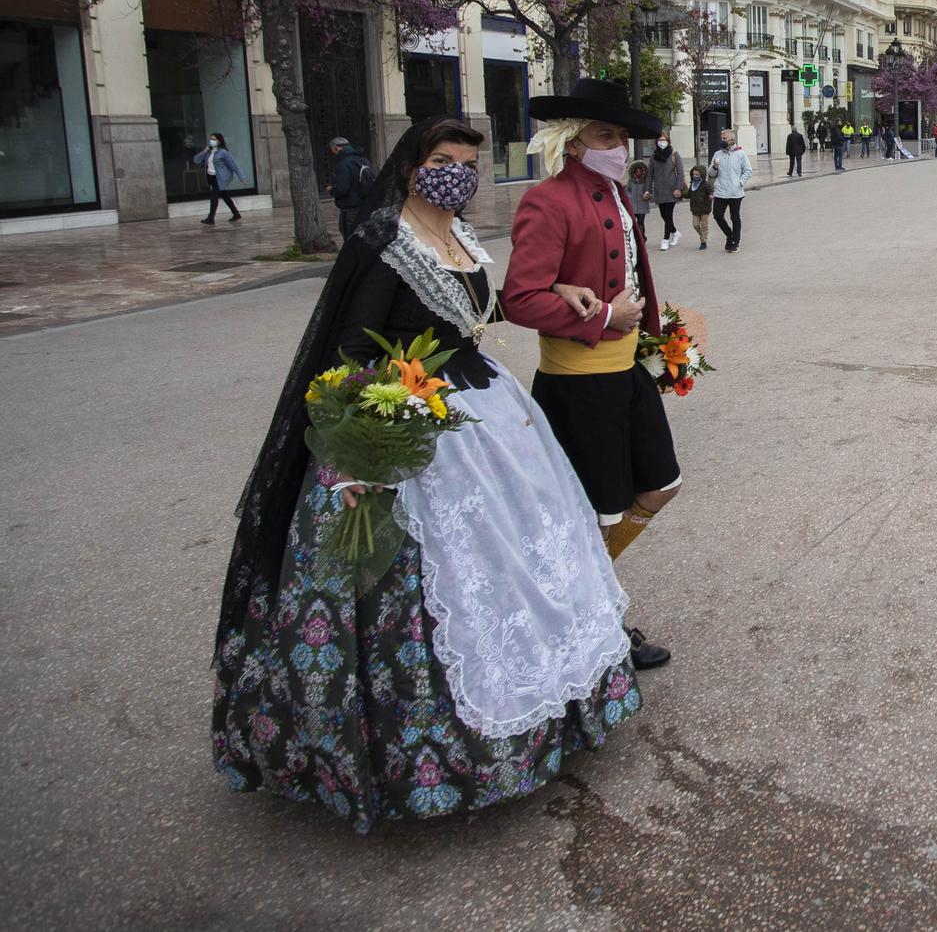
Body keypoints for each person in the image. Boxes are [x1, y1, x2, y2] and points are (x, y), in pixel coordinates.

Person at [213, 115, 639, 834]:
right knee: (431, 590)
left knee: (525, 557)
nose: (457, 175)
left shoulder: (461, 237)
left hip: (488, 415)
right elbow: (351, 346)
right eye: (444, 161)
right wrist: (385, 425)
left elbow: (470, 310)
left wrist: (562, 291)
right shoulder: (386, 241)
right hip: (415, 424)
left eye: (468, 164)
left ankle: (552, 711)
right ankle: (414, 757)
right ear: (412, 166)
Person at [502, 80, 686, 673]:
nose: (618, 145)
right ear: (573, 141)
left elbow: (635, 279)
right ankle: (594, 615)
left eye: (622, 135)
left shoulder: (613, 194)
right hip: (577, 385)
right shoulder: (547, 201)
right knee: (595, 511)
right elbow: (519, 299)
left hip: (625, 371)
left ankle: (583, 596)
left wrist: (657, 343)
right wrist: (606, 315)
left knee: (662, 483)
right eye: (606, 135)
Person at [709, 128, 752, 252]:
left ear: (732, 140)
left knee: (735, 217)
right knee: (717, 215)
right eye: (721, 138)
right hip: (720, 192)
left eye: (724, 138)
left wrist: (740, 182)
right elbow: (710, 173)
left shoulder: (740, 154)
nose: (721, 140)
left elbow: (748, 170)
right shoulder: (718, 154)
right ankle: (730, 235)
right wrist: (714, 166)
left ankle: (735, 242)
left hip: (735, 192)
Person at [194, 132, 245, 224]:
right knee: (224, 195)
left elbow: (234, 165)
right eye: (211, 139)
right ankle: (236, 213)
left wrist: (241, 177)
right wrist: (205, 150)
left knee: (214, 196)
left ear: (219, 141)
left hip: (220, 178)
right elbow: (196, 160)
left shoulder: (223, 152)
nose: (211, 141)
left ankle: (211, 218)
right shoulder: (209, 152)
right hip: (211, 177)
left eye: (214, 139)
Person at [328, 136, 374, 237]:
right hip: (365, 205)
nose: (334, 154)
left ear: (337, 148)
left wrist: (332, 190)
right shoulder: (364, 160)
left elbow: (342, 188)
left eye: (333, 151)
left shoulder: (344, 164)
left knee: (350, 237)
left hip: (350, 209)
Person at [651, 133, 685, 250]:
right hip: (659, 190)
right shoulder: (653, 156)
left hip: (671, 190)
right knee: (663, 214)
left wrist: (678, 188)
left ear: (668, 141)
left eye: (664, 140)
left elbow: (680, 172)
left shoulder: (674, 155)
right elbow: (650, 174)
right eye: (659, 140)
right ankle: (675, 232)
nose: (661, 142)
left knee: (668, 214)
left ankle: (665, 239)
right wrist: (647, 190)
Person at [684, 165, 714, 248]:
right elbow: (689, 194)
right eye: (693, 175)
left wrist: (711, 195)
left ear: (702, 175)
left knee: (704, 226)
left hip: (705, 209)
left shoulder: (705, 184)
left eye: (697, 175)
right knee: (695, 225)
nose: (695, 176)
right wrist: (681, 194)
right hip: (695, 209)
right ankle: (702, 236)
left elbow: (711, 190)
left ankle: (703, 242)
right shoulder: (692, 184)